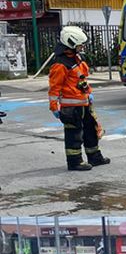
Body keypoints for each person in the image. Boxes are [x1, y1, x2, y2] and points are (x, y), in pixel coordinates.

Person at [48, 26, 111, 171]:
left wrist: (88, 93)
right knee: (74, 135)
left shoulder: (76, 59)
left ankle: (94, 157)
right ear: (71, 44)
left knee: (90, 130)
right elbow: (54, 88)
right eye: (80, 44)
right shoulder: (60, 64)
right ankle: (74, 161)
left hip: (83, 103)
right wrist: (54, 106)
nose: (82, 47)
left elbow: (81, 80)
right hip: (71, 108)